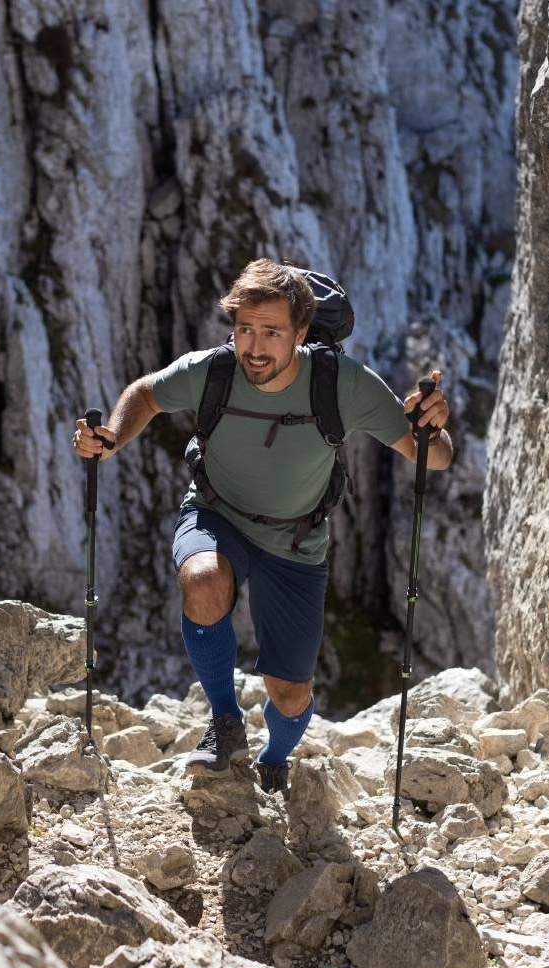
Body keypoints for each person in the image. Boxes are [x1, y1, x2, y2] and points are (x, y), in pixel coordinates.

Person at [72, 259, 452, 798]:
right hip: (215, 512)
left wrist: (432, 427)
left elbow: (431, 458)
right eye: (244, 328)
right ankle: (225, 722)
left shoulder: (341, 384)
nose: (254, 346)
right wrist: (111, 436)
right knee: (202, 580)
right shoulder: (215, 370)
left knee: (291, 693)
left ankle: (275, 756)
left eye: (271, 332)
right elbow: (147, 394)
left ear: (300, 334)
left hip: (296, 542)